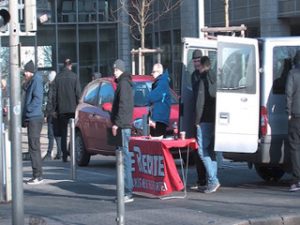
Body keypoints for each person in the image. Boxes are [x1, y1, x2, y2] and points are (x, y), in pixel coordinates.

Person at [194, 55, 220, 193]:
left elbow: (200, 102)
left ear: (203, 66)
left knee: (202, 150)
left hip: (204, 119)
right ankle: (213, 179)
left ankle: (213, 180)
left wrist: (196, 121)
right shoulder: (217, 78)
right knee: (211, 150)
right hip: (215, 119)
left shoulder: (203, 79)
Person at [110, 59, 134, 203]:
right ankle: (124, 191)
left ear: (122, 70)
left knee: (124, 160)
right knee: (122, 159)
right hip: (123, 126)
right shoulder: (123, 83)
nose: (114, 72)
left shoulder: (124, 84)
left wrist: (116, 124)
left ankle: (127, 191)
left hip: (123, 127)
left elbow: (123, 106)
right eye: (114, 70)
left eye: (116, 70)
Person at [53, 59, 81, 162]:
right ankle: (73, 152)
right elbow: (78, 93)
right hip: (73, 109)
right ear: (70, 66)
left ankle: (64, 155)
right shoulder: (74, 77)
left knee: (64, 132)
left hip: (62, 109)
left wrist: (54, 109)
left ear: (63, 66)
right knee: (74, 131)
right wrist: (79, 106)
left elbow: (54, 95)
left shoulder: (58, 77)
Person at [22, 60, 45, 185]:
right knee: (33, 147)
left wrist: (28, 109)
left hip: (34, 117)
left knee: (34, 147)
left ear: (30, 71)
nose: (24, 73)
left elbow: (37, 99)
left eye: (26, 71)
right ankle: (37, 174)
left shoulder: (36, 81)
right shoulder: (33, 81)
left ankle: (37, 175)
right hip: (33, 117)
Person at [190, 49, 207, 191]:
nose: (196, 63)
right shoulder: (193, 76)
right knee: (198, 150)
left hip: (204, 117)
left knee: (204, 149)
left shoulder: (204, 76)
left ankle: (207, 178)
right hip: (197, 116)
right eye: (194, 61)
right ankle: (202, 178)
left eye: (198, 60)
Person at [286, 51, 300, 192]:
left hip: (296, 116)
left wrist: (288, 112)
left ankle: (296, 180)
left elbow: (289, 94)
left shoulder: (292, 73)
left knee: (295, 148)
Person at [147, 63, 171, 137]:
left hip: (160, 118)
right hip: (159, 117)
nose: (152, 73)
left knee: (157, 140)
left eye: (153, 71)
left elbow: (154, 98)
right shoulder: (159, 82)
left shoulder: (161, 83)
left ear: (159, 72)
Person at [44, 71, 62, 160]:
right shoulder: (59, 85)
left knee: (50, 134)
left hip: (52, 113)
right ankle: (59, 152)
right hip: (58, 112)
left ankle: (49, 153)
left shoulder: (52, 86)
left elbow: (50, 100)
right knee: (57, 134)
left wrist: (47, 113)